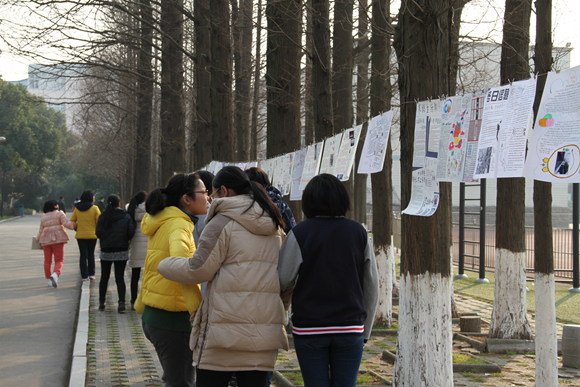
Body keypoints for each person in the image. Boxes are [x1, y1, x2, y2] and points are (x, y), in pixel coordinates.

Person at [157, 166, 288, 387]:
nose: (210, 199)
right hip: (262, 339)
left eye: (213, 193)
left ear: (224, 191)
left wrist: (164, 264)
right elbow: (285, 279)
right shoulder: (274, 222)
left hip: (222, 338)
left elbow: (198, 269)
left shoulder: (221, 221)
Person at [277, 174, 379, 387]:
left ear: (309, 202)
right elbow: (371, 285)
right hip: (350, 327)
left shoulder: (300, 233)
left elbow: (283, 278)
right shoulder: (358, 232)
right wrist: (365, 330)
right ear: (342, 200)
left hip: (310, 328)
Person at [134, 173, 208, 387]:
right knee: (181, 382)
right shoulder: (179, 225)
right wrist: (197, 309)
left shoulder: (165, 220)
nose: (208, 197)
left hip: (154, 315)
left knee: (175, 377)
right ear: (186, 198)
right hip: (173, 321)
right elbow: (181, 268)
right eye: (203, 192)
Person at [96, 194, 135, 313]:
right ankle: (122, 304)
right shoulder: (125, 216)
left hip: (106, 250)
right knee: (120, 277)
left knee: (104, 276)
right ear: (119, 203)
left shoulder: (103, 217)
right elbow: (131, 232)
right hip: (121, 250)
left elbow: (98, 233)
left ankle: (102, 303)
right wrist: (124, 240)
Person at [37, 199, 77, 288]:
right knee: (59, 260)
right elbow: (66, 224)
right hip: (57, 240)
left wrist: (38, 240)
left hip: (45, 240)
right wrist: (75, 225)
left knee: (47, 261)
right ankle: (55, 274)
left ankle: (49, 280)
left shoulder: (43, 217)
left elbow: (40, 231)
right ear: (55, 206)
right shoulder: (60, 214)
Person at [244, 167, 296, 234]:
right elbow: (293, 233)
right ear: (266, 180)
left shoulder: (240, 204)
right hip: (278, 243)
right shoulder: (282, 206)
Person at [70, 190, 101, 281]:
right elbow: (99, 221)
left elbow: (72, 221)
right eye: (93, 196)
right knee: (91, 254)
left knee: (83, 255)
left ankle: (84, 275)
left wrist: (77, 228)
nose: (94, 198)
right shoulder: (95, 208)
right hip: (92, 235)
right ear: (90, 198)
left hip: (80, 236)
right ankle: (92, 274)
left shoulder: (77, 208)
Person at [127, 191, 148, 310]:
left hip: (136, 246)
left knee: (134, 276)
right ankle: (145, 300)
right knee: (147, 276)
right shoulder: (151, 210)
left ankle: (133, 301)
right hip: (149, 247)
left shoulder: (131, 211)